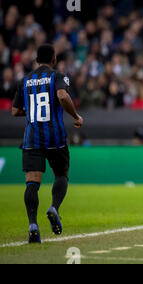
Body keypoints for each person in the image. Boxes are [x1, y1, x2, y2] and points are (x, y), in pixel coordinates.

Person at [11, 44, 83, 244]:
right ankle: (54, 208)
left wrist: (33, 110)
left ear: (36, 60)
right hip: (55, 137)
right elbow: (62, 96)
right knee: (61, 174)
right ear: (53, 59)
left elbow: (15, 111)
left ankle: (32, 225)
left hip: (32, 138)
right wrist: (76, 116)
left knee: (32, 183)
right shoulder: (58, 76)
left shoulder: (24, 81)